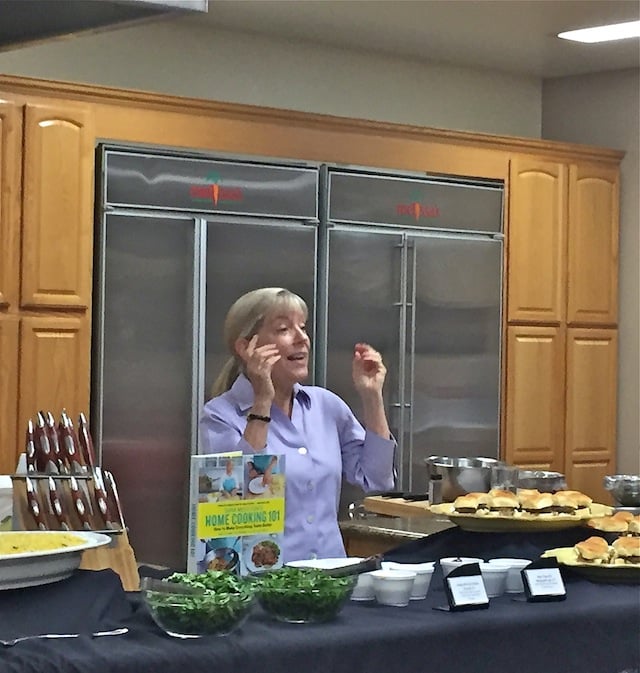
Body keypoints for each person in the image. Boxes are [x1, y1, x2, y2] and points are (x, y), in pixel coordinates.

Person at [199, 287, 396, 563]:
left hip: (331, 581)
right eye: (283, 329)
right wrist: (262, 402)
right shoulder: (220, 416)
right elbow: (234, 507)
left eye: (302, 327)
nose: (302, 338)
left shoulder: (326, 406)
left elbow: (377, 481)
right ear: (247, 347)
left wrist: (372, 397)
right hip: (265, 588)